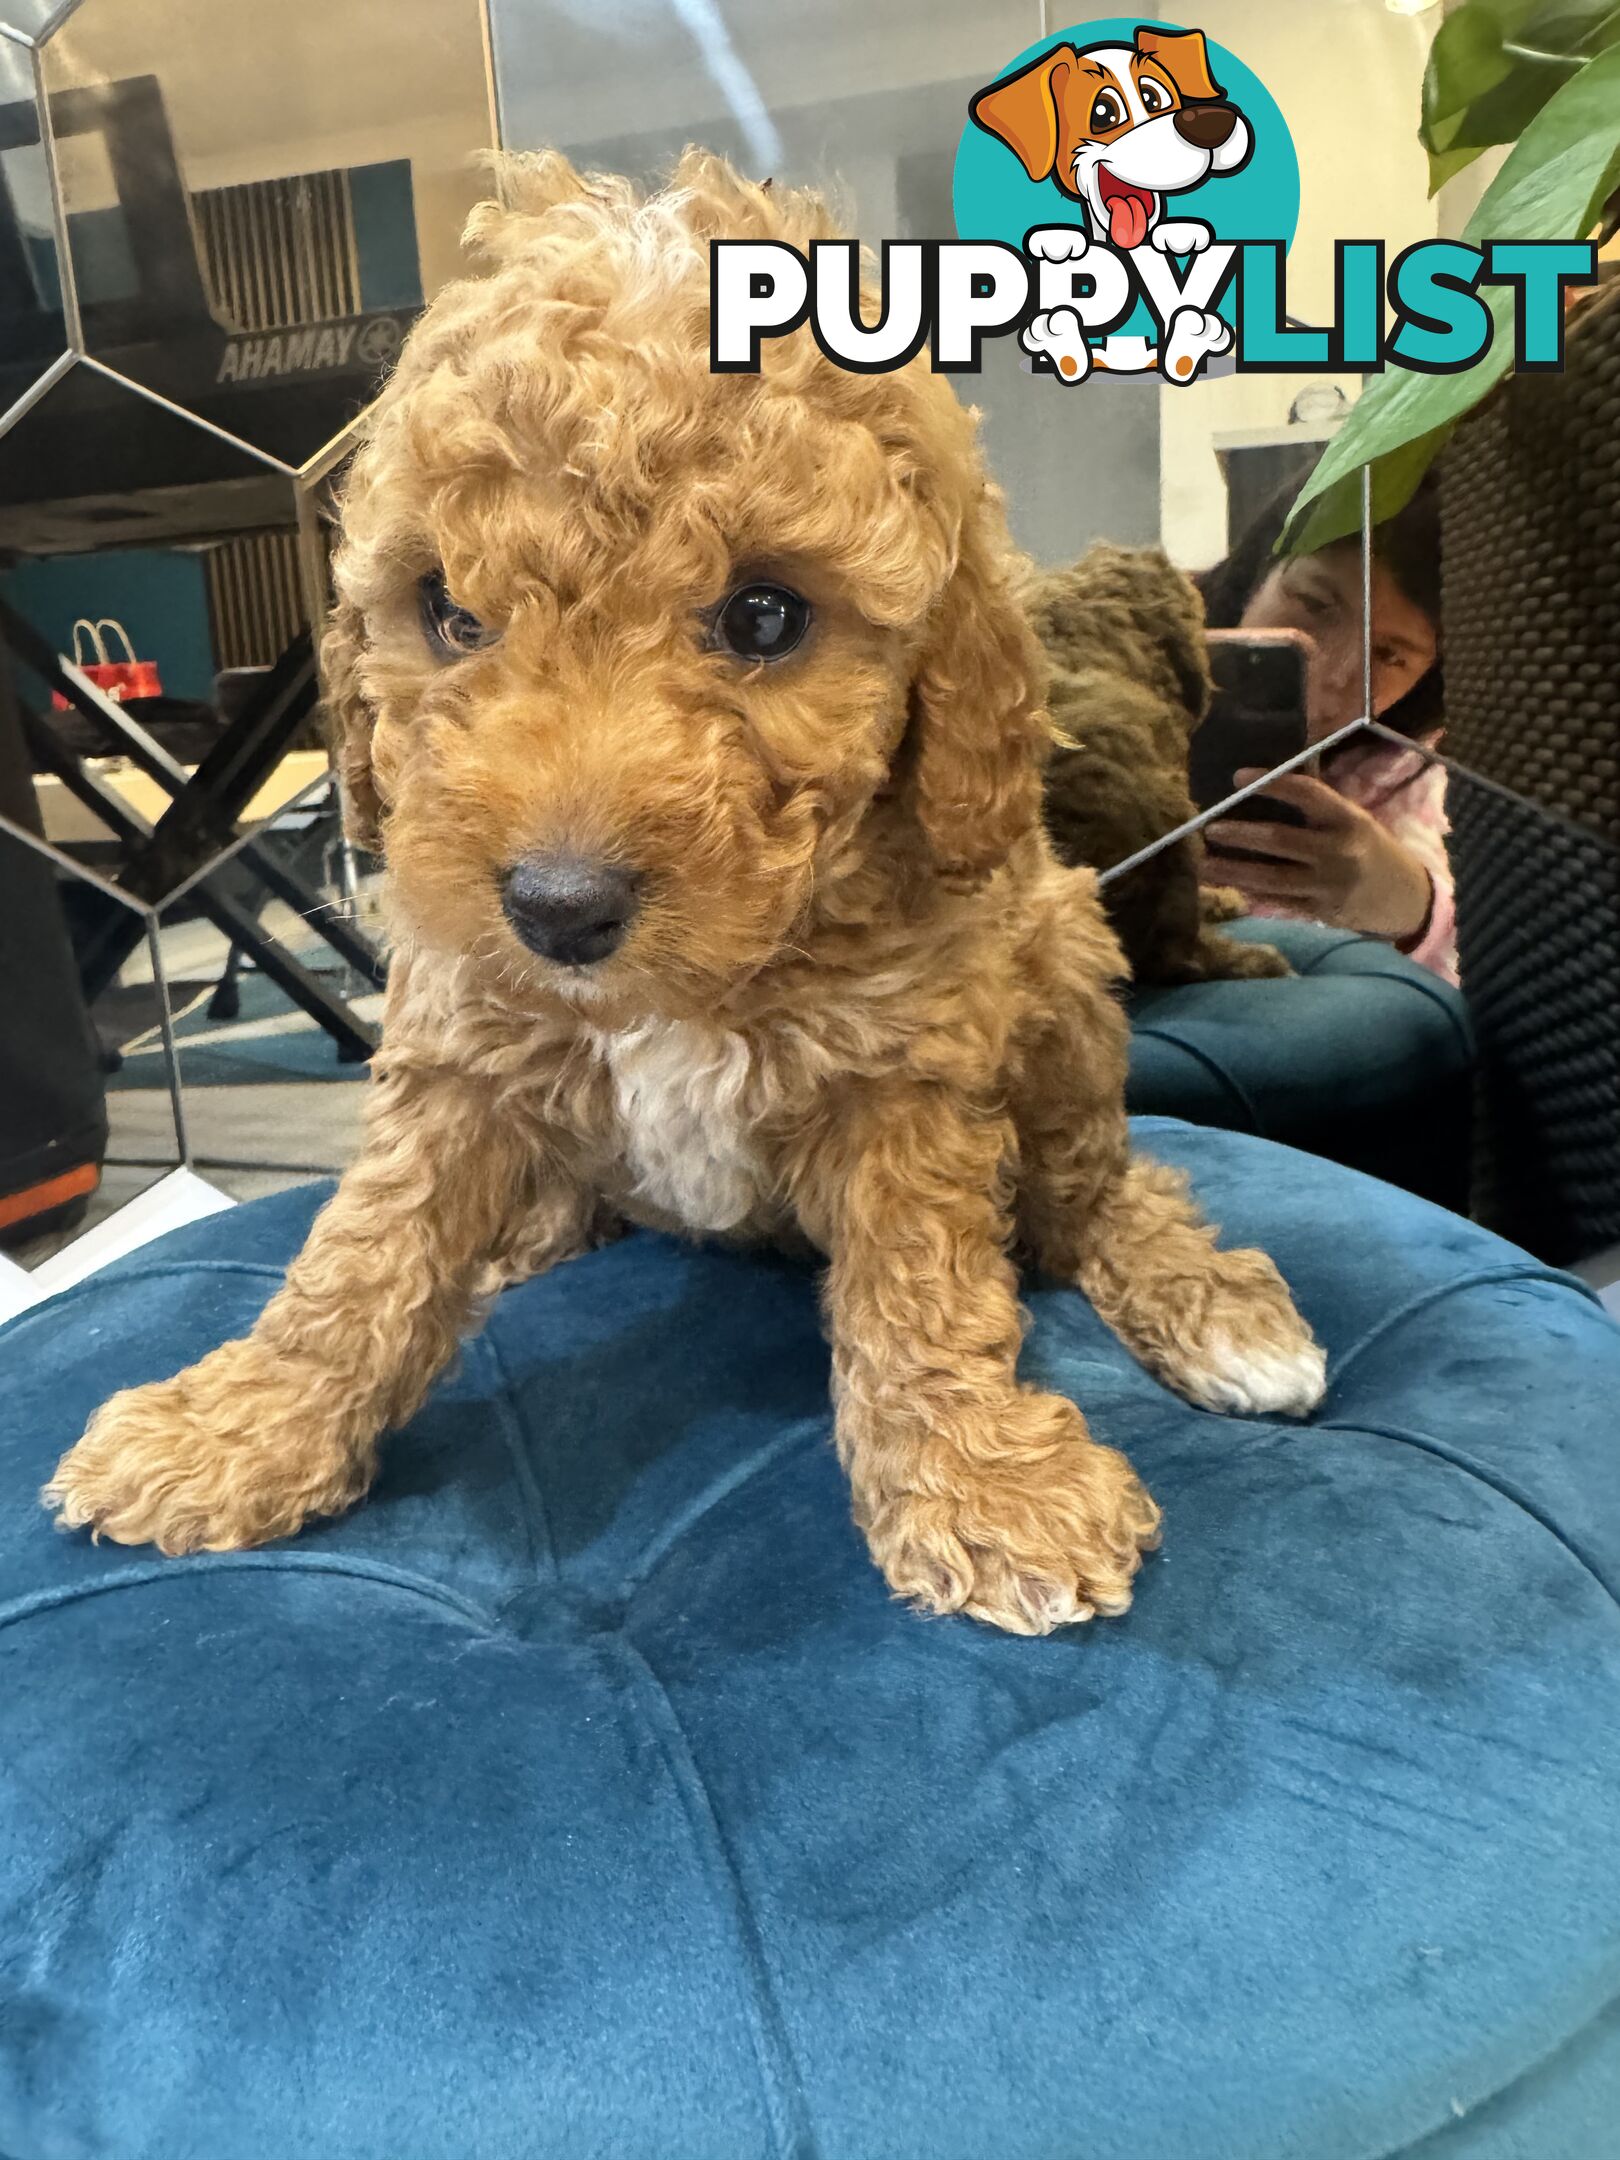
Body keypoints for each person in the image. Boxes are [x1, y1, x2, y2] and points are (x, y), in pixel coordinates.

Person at [1196, 479, 1455, 982]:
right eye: (1315, 603)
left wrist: (1416, 911)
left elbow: (1482, 974)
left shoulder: (1413, 776)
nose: (1333, 674)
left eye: (1389, 654)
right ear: (1257, 570)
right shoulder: (1113, 650)